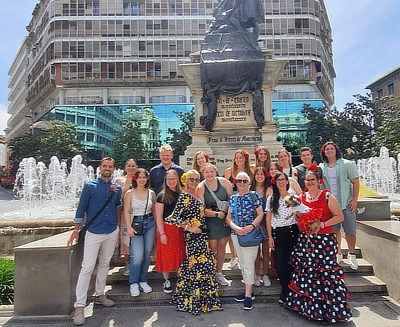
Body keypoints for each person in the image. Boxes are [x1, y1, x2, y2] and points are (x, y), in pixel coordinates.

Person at [285, 164, 352, 323]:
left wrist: (321, 224)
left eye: (312, 180)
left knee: (324, 275)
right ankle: (309, 309)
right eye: (307, 180)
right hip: (306, 241)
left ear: (319, 180)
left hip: (324, 241)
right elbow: (297, 216)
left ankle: (329, 311)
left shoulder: (327, 196)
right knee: (308, 274)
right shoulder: (302, 198)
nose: (309, 182)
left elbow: (339, 217)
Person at [67, 157, 122, 326]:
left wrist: (119, 229)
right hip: (94, 231)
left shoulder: (117, 188)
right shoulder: (89, 186)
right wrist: (76, 230)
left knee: (105, 263)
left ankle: (99, 294)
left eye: (110, 166)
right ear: (100, 168)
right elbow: (81, 208)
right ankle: (80, 306)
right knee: (87, 267)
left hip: (111, 230)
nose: (107, 168)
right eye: (105, 166)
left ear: (113, 169)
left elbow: (118, 208)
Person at [166, 170, 223, 315]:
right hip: (193, 237)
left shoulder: (198, 194)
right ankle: (195, 300)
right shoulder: (185, 196)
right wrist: (188, 227)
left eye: (197, 179)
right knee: (197, 266)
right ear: (185, 180)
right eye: (191, 179)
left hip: (203, 235)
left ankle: (204, 300)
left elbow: (202, 213)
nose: (194, 182)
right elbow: (172, 218)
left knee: (203, 265)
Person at [225, 171, 264, 310]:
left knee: (248, 263)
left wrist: (251, 226)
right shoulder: (233, 198)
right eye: (239, 181)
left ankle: (248, 296)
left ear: (249, 183)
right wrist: (235, 227)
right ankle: (250, 291)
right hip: (236, 233)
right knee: (242, 262)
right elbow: (228, 217)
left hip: (250, 234)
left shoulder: (254, 196)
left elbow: (260, 214)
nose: (241, 183)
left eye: (244, 181)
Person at [319, 141, 360, 270]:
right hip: (331, 205)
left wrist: (354, 200)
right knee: (335, 230)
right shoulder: (322, 167)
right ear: (324, 152)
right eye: (327, 149)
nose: (329, 151)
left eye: (332, 149)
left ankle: (352, 253)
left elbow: (355, 182)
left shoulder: (347, 164)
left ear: (336, 150)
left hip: (346, 202)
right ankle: (338, 252)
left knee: (350, 230)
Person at [266, 170, 299, 305]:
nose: (280, 182)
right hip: (277, 233)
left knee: (292, 262)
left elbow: (299, 214)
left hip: (292, 232)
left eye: (283, 179)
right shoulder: (272, 198)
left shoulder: (293, 197)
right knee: (280, 265)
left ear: (287, 181)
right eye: (278, 180)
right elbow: (268, 219)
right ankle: (285, 288)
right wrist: (270, 236)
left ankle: (291, 290)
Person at [197, 163, 233, 286]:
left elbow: (231, 201)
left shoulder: (224, 183)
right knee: (212, 248)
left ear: (215, 172)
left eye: (211, 171)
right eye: (207, 172)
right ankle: (210, 273)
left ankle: (219, 272)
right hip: (211, 221)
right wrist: (216, 214)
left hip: (224, 221)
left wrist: (227, 216)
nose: (209, 174)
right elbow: (200, 209)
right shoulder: (201, 187)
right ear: (203, 174)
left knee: (222, 247)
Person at [123, 168, 156, 297]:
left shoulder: (151, 193)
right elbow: (126, 211)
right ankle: (133, 282)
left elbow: (154, 210)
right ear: (135, 179)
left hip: (149, 223)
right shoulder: (129, 193)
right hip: (135, 223)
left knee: (147, 254)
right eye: (139, 177)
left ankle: (143, 280)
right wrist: (129, 227)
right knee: (137, 256)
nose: (142, 180)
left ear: (147, 179)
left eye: (144, 177)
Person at [154, 169, 186, 294]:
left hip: (181, 229)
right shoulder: (161, 196)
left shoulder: (182, 193)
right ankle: (166, 280)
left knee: (181, 254)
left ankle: (180, 279)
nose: (171, 181)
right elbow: (159, 216)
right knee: (166, 255)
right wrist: (162, 233)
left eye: (173, 179)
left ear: (177, 180)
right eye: (169, 179)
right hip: (167, 228)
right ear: (165, 181)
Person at [224, 149, 253, 269]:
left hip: (246, 203)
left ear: (245, 158)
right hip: (233, 202)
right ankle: (233, 257)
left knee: (246, 229)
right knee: (233, 232)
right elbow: (226, 187)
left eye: (241, 157)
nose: (239, 160)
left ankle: (246, 258)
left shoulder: (250, 171)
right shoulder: (228, 171)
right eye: (236, 158)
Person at [114, 158, 138, 276]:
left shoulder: (140, 179)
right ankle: (127, 263)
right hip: (124, 214)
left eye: (133, 165)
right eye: (129, 165)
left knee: (137, 238)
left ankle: (136, 263)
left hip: (138, 213)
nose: (131, 168)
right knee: (126, 239)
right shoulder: (119, 180)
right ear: (125, 167)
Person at [250, 166, 271, 287]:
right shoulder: (250, 189)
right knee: (256, 251)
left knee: (266, 250)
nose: (259, 176)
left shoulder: (269, 189)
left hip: (266, 222)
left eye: (261, 174)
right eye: (257, 174)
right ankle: (257, 274)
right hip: (254, 223)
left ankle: (265, 274)